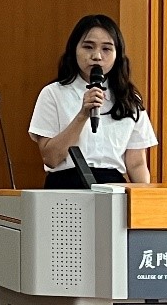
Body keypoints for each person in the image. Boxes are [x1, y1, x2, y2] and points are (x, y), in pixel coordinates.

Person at [28, 14, 157, 189]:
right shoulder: (53, 93)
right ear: (74, 49)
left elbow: (136, 163)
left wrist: (144, 198)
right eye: (88, 47)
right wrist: (82, 115)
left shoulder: (128, 98)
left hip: (113, 186)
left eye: (106, 49)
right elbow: (51, 158)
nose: (97, 56)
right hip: (66, 185)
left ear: (117, 55)